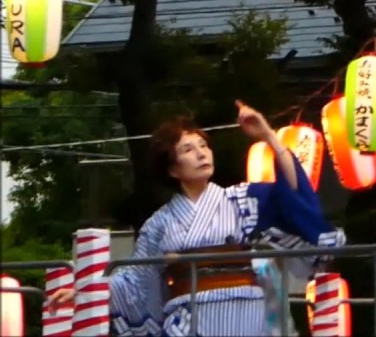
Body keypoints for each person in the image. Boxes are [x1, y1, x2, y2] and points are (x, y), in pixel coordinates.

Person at [49, 102, 345, 336]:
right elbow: (133, 282)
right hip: (189, 313)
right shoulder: (160, 223)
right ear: (172, 169)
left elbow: (291, 194)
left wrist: (268, 135)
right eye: (188, 150)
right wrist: (84, 291)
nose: (202, 154)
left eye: (204, 146)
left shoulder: (240, 200)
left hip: (247, 312)